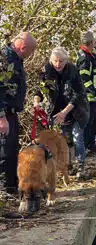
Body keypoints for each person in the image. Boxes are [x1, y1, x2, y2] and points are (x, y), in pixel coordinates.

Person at [33, 47, 90, 179]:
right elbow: (40, 91)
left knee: (77, 137)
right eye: (55, 61)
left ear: (67, 60)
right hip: (57, 110)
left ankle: (80, 166)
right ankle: (67, 165)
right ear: (51, 60)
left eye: (62, 61)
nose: (58, 64)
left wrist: (65, 112)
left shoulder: (73, 70)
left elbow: (79, 94)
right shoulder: (46, 70)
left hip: (76, 109)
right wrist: (36, 102)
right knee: (64, 138)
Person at [0, 32, 37, 195]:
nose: (31, 56)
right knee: (5, 152)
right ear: (23, 48)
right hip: (4, 114)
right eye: (31, 52)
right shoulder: (4, 60)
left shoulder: (15, 59)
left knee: (12, 150)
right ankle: (4, 189)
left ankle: (12, 186)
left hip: (11, 112)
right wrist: (2, 117)